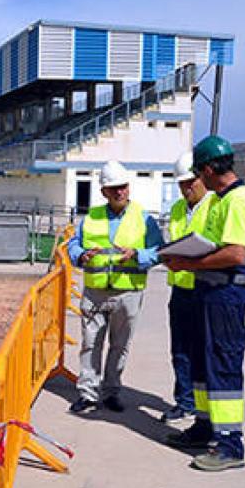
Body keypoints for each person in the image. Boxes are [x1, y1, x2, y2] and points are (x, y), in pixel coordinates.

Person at [163, 135, 245, 471]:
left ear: (208, 169)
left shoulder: (238, 200)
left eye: (199, 174)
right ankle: (205, 427)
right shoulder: (222, 200)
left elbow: (235, 252)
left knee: (223, 364)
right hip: (211, 294)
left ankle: (230, 444)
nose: (197, 181)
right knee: (204, 364)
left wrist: (188, 263)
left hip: (227, 295)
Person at [67, 161, 164, 413]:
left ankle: (111, 391)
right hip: (95, 292)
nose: (119, 192)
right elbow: (73, 244)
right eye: (113, 188)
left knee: (119, 346)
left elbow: (159, 250)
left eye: (122, 187)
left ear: (128, 187)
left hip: (127, 292)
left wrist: (138, 255)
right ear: (104, 192)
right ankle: (88, 394)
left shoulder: (144, 219)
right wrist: (81, 255)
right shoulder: (91, 217)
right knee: (90, 343)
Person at [160, 151, 214, 423]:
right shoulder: (178, 209)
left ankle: (204, 408)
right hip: (180, 289)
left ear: (202, 178)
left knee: (202, 350)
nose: (186, 187)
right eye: (181, 183)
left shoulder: (215, 205)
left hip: (205, 288)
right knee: (180, 350)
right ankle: (185, 401)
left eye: (190, 181)